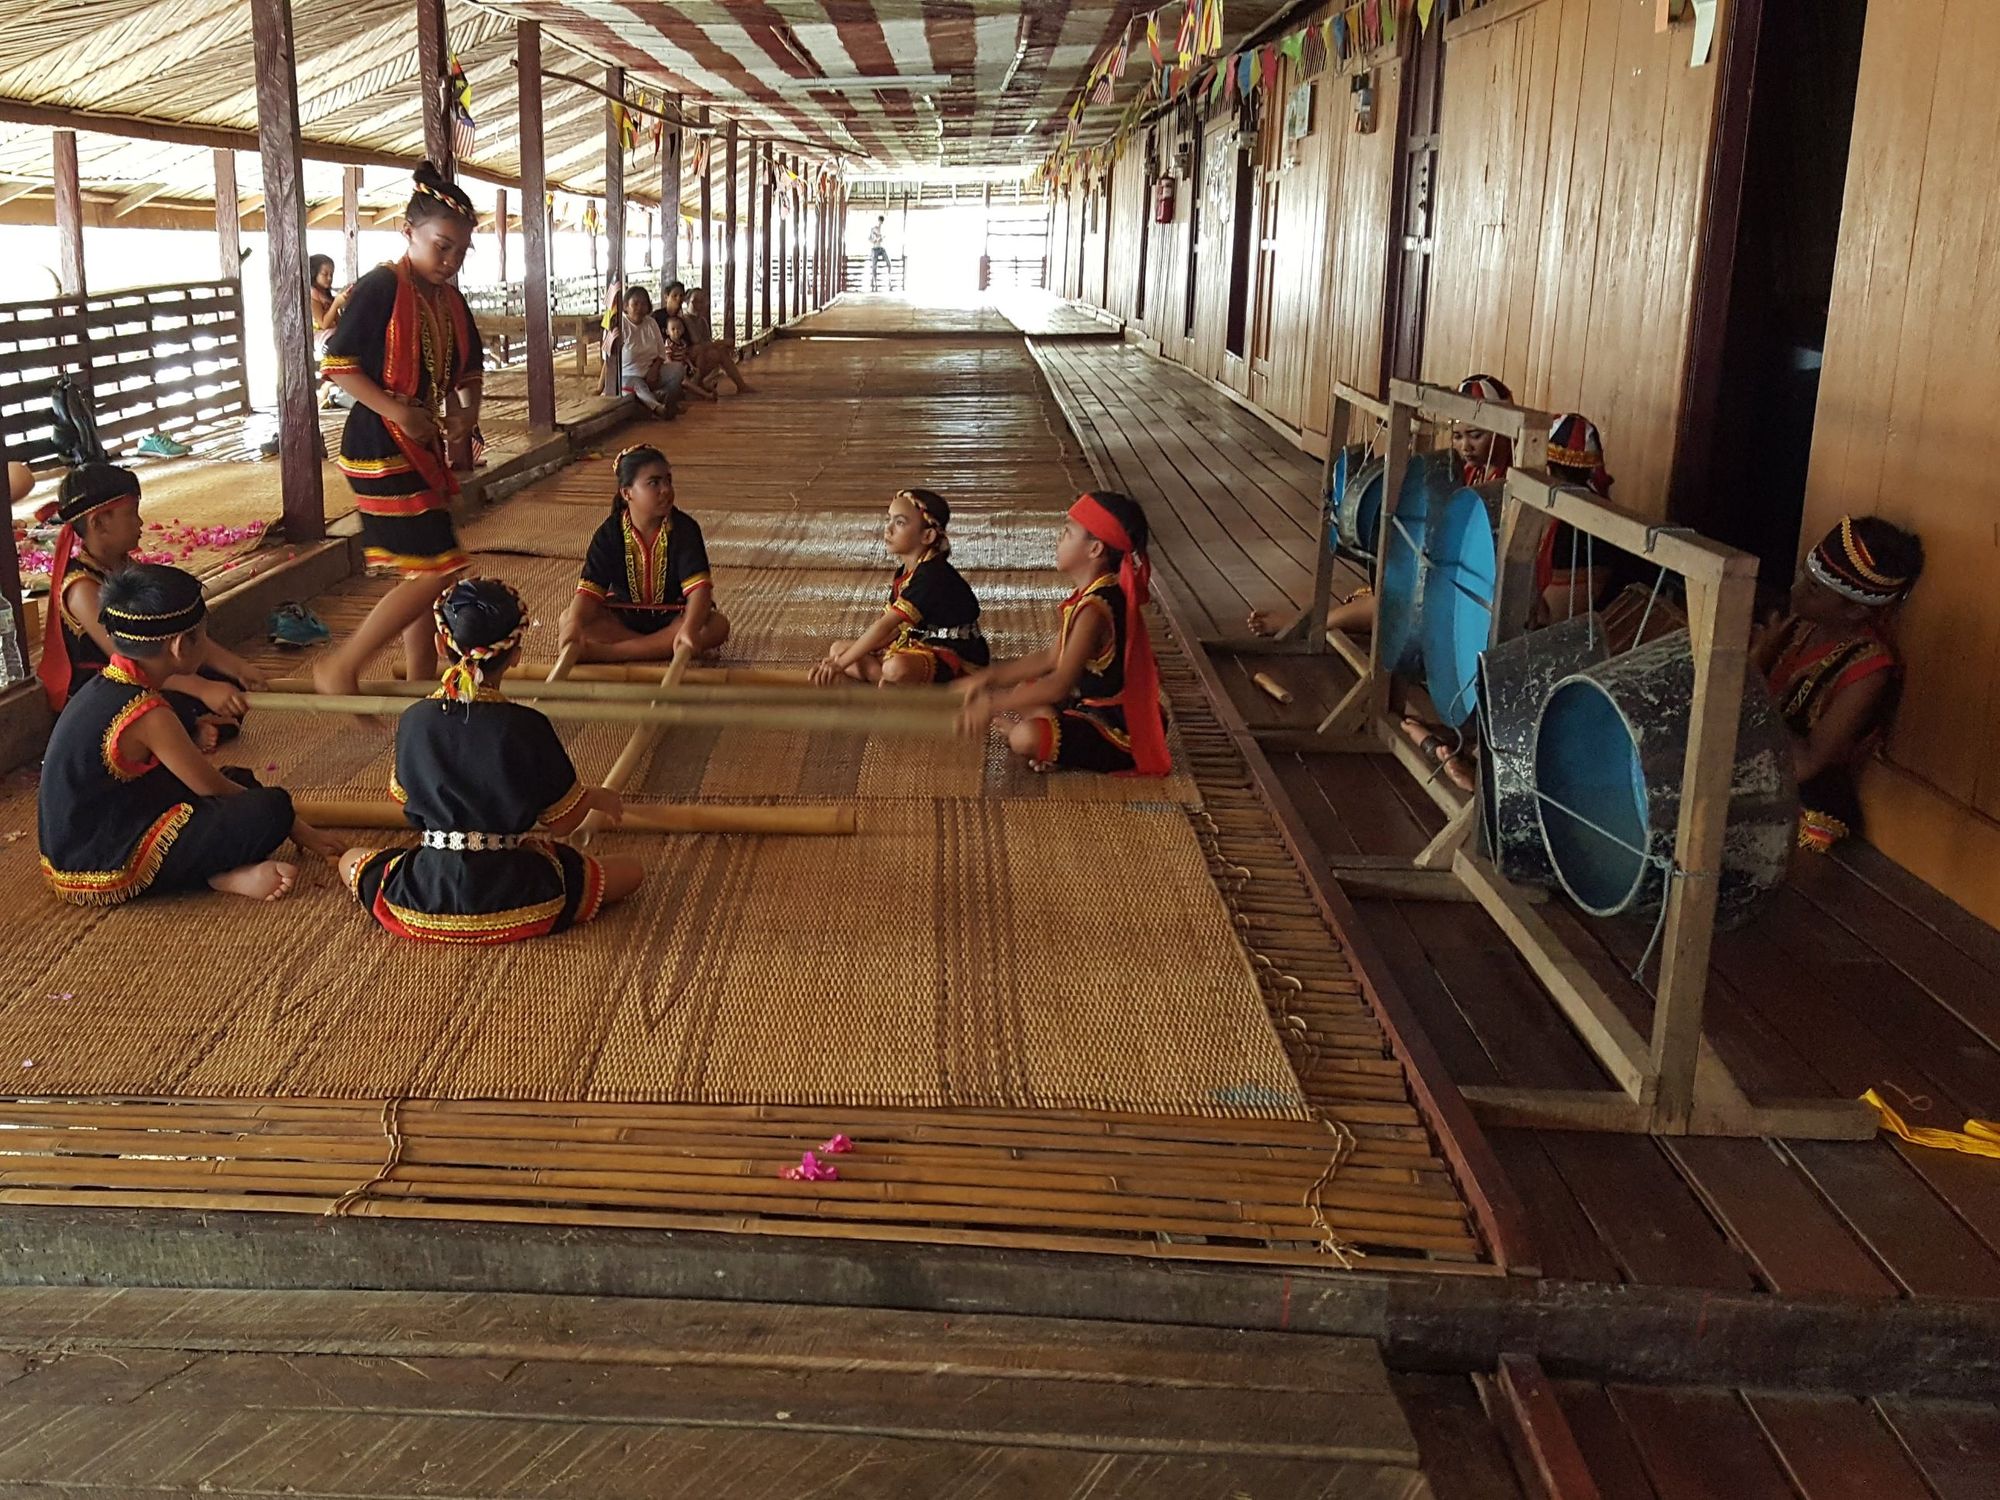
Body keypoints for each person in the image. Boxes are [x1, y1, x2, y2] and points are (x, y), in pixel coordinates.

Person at [339, 578, 644, 942]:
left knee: (350, 861)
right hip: (519, 893)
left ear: (440, 644)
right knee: (631, 871)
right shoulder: (528, 725)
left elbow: (404, 799)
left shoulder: (415, 719)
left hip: (425, 893)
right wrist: (593, 796)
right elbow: (562, 822)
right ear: (516, 653)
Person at [38, 564, 341, 906]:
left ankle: (219, 866)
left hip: (86, 838)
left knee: (243, 780)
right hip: (101, 860)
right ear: (181, 646)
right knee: (271, 808)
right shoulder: (148, 713)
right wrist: (295, 825)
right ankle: (216, 875)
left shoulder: (111, 684)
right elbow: (212, 789)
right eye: (205, 636)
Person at [313, 161, 484, 697]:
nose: (451, 261)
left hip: (418, 440)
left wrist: (467, 416)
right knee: (439, 569)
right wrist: (395, 409)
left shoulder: (449, 300)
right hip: (376, 442)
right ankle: (341, 666)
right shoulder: (381, 286)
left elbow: (470, 369)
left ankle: (419, 683)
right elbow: (338, 363)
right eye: (442, 246)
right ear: (408, 234)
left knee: (423, 571)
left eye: (460, 251)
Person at [1247, 372, 1516, 641]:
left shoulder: (1512, 481)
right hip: (1454, 574)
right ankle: (1317, 621)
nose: (1464, 446)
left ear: (1503, 431)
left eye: (1476, 435)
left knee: (1395, 602)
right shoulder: (1467, 472)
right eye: (1457, 436)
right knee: (1391, 586)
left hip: (1484, 591)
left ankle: (1308, 625)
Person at [35, 462, 267, 746]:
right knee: (172, 702)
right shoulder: (82, 588)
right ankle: (186, 731)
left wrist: (237, 668)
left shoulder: (122, 566)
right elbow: (133, 662)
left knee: (225, 684)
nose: (141, 523)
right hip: (111, 685)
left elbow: (180, 631)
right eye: (132, 514)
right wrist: (205, 689)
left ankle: (194, 725)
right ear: (99, 523)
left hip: (151, 667)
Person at [956, 490, 1171, 776]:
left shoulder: (1095, 610)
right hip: (1086, 706)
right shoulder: (1090, 595)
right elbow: (1051, 657)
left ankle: (1044, 742)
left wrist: (991, 703)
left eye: (1068, 533)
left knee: (1025, 737)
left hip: (1117, 728)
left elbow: (1059, 684)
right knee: (1026, 690)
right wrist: (987, 678)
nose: (1058, 539)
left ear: (1095, 549)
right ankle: (1053, 742)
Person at [1752, 515, 1923, 854]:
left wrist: (1751, 678)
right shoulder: (1801, 625)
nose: (1795, 589)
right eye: (1804, 575)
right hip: (1758, 757)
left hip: (1803, 799)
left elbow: (1807, 764)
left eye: (1813, 587)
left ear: (1856, 612)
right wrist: (1759, 656)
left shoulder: (1871, 669)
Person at [559, 445, 731, 663]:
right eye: (654, 483)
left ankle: (610, 654)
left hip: (673, 620)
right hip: (622, 621)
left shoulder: (685, 529)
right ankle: (658, 648)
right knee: (568, 618)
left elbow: (700, 591)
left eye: (668, 481)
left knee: (716, 625)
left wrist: (688, 628)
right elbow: (588, 593)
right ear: (626, 492)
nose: (666, 489)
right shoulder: (610, 532)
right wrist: (574, 625)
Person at [810, 487, 987, 686]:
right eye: (889, 519)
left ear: (927, 536)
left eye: (900, 522)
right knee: (838, 649)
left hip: (955, 653)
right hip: (916, 644)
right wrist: (842, 658)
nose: (888, 528)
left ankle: (906, 685)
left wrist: (840, 665)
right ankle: (892, 685)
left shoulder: (933, 575)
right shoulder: (906, 571)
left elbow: (886, 625)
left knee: (894, 667)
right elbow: (892, 632)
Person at [604, 284, 671, 414]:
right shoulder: (619, 325)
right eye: (635, 304)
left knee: (677, 371)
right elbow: (607, 356)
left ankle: (647, 404)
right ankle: (657, 407)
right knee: (637, 384)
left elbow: (662, 352)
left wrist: (654, 369)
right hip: (627, 376)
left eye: (644, 304)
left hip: (650, 373)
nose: (640, 308)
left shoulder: (651, 323)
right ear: (625, 306)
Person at [681, 287, 753, 395]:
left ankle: (740, 385)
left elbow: (708, 342)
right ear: (687, 301)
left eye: (702, 301)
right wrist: (722, 342)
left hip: (700, 356)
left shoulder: (702, 321)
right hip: (687, 358)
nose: (699, 305)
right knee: (714, 351)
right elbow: (697, 343)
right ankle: (740, 385)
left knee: (720, 351)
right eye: (695, 301)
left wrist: (723, 346)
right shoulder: (685, 319)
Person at [660, 315, 716, 407]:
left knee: (697, 373)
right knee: (686, 382)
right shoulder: (669, 344)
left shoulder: (682, 343)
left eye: (678, 328)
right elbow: (668, 358)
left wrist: (691, 366)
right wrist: (677, 371)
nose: (676, 331)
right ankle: (707, 395)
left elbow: (685, 357)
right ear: (667, 332)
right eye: (673, 329)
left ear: (682, 330)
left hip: (684, 368)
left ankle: (702, 388)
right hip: (675, 371)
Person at [868, 215, 888, 290]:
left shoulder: (884, 230)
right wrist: (874, 241)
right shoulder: (873, 229)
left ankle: (888, 282)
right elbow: (869, 239)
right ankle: (875, 284)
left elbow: (884, 239)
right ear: (878, 221)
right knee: (874, 266)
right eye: (880, 221)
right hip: (875, 248)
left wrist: (882, 239)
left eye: (881, 221)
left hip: (881, 248)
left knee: (889, 264)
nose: (880, 222)